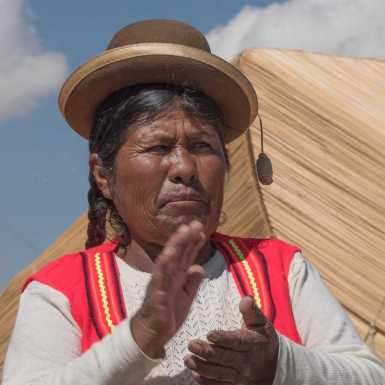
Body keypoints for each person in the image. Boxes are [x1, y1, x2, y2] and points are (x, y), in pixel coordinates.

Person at [2, 19, 384, 385]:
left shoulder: (280, 269)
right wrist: (140, 337)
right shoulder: (62, 291)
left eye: (202, 146)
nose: (184, 167)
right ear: (103, 175)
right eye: (158, 147)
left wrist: (279, 364)